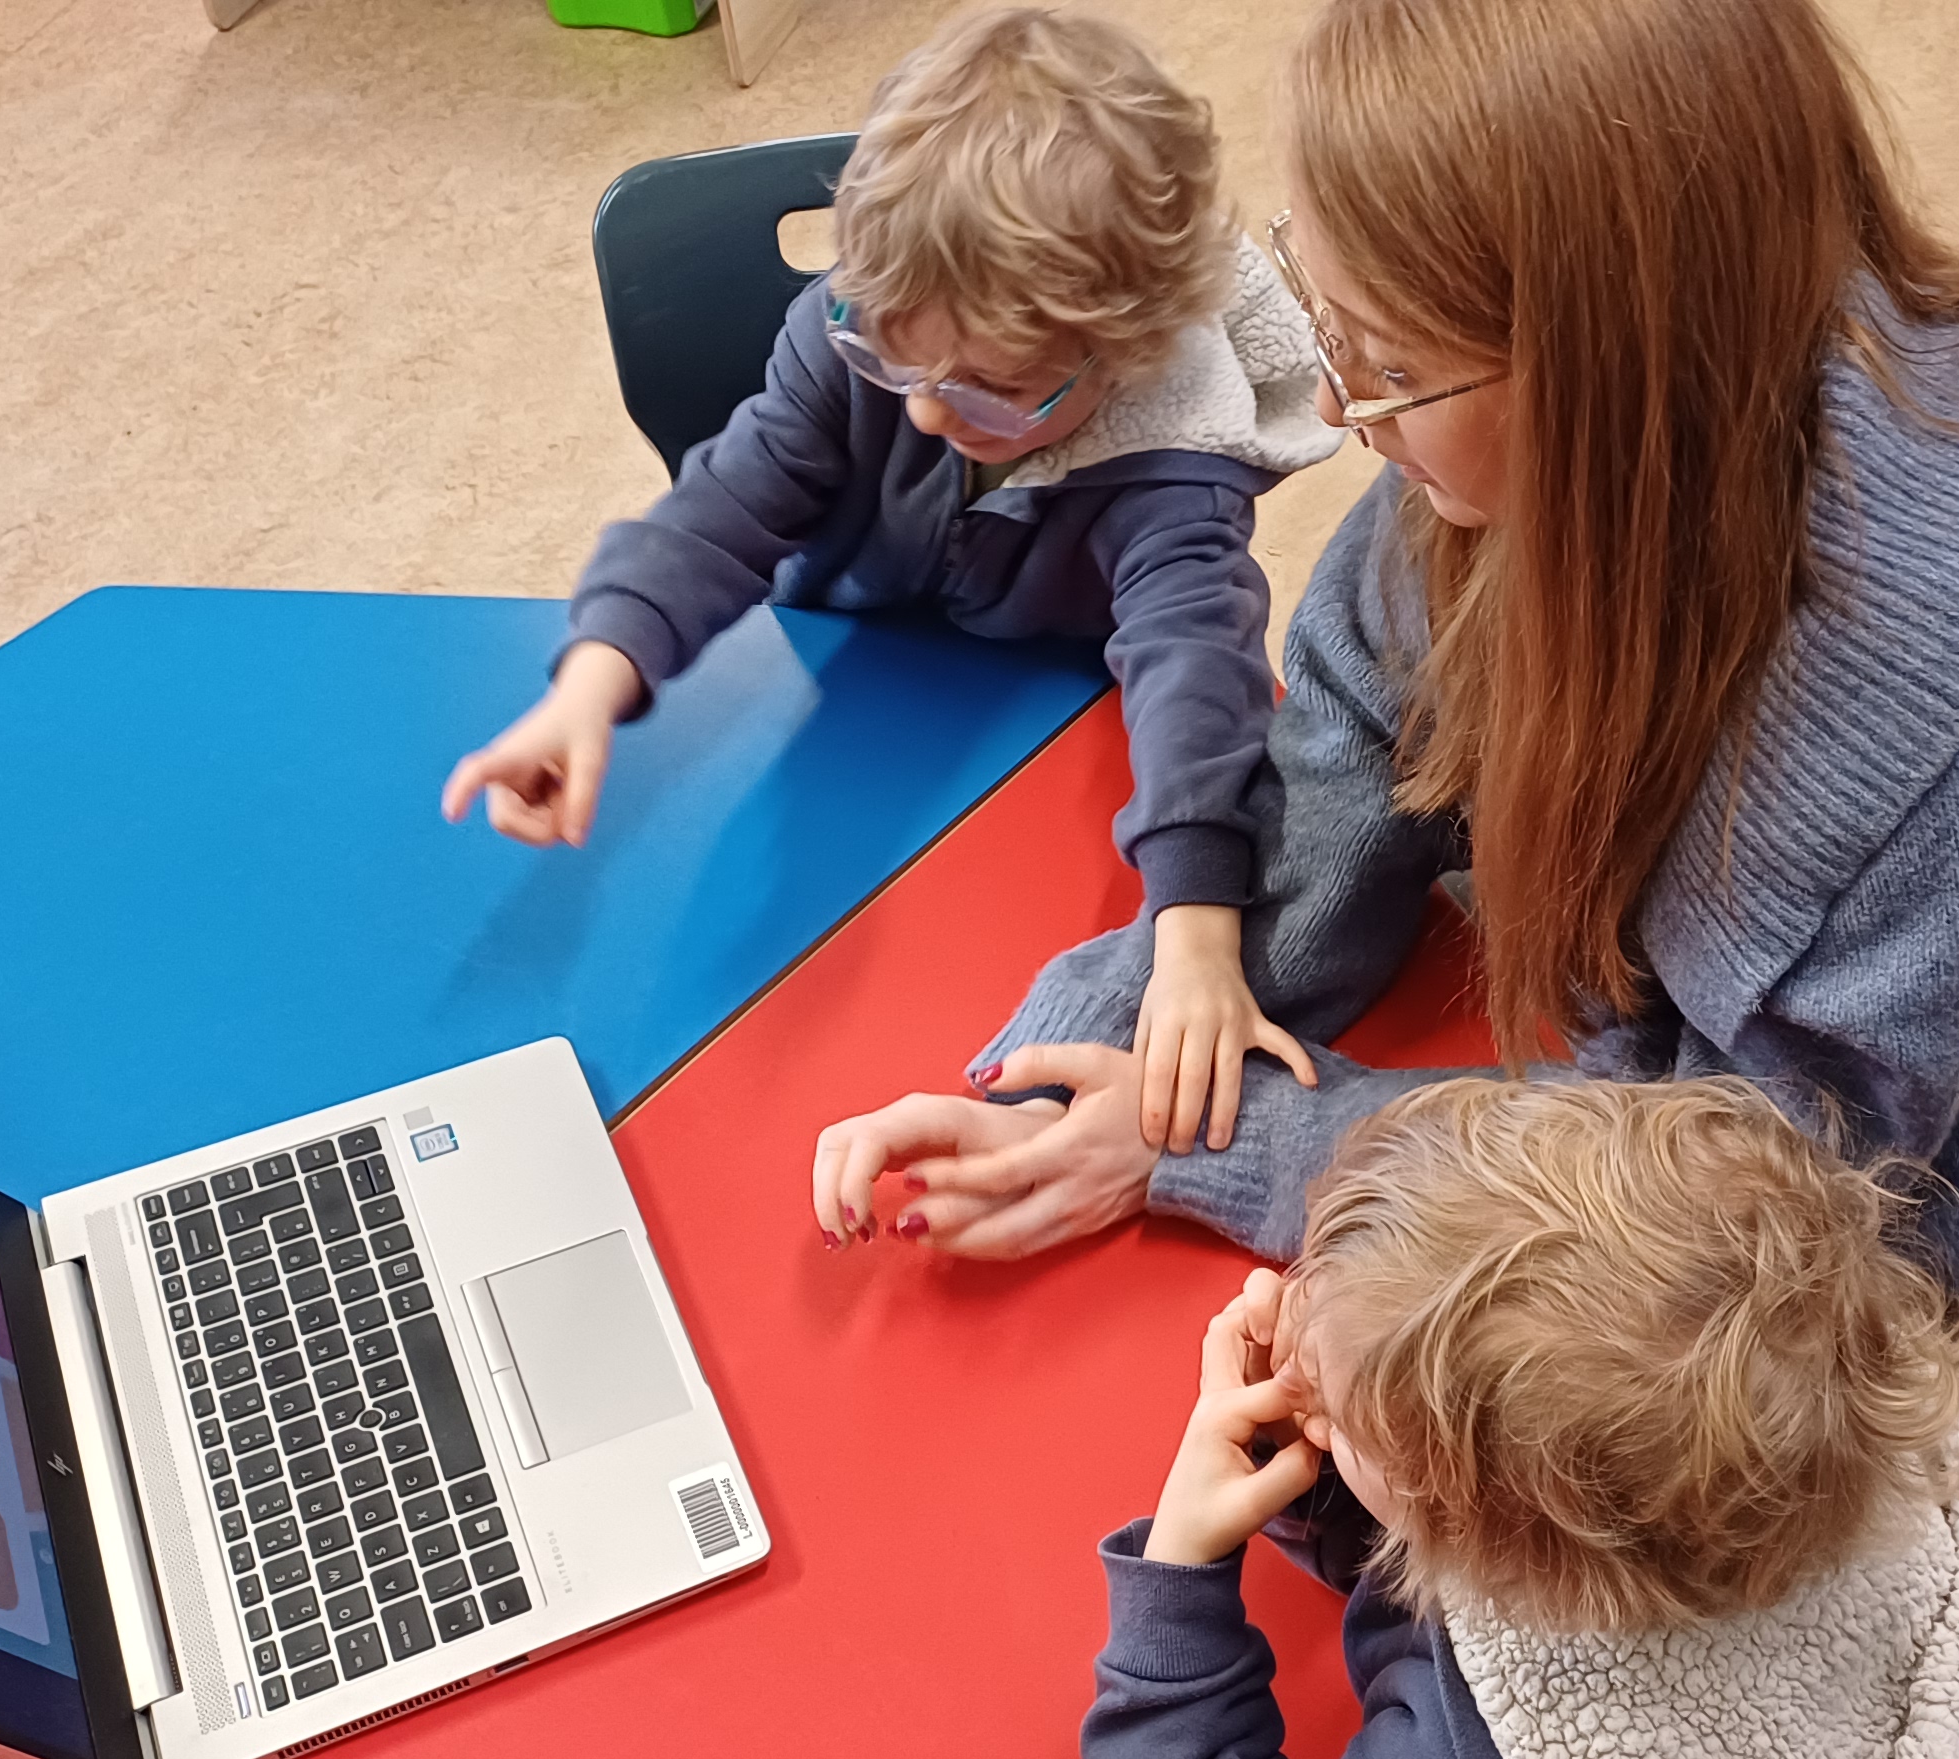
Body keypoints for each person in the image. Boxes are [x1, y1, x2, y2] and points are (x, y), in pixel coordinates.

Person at [812, 0, 1959, 1389]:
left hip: (1888, 1241)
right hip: (1661, 1030)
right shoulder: (1643, 389)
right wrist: (1130, 1035)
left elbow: (1737, 1210)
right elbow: (1362, 717)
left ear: (1610, 371)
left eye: (1391, 365)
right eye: (1328, 317)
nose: (1342, 411)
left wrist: (1219, 1140)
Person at [445, 7, 1343, 1155]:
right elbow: (724, 507)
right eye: (893, 358)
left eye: (987, 388)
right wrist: (588, 685)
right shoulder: (858, 332)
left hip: (1045, 736)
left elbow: (1195, 676)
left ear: (1124, 355)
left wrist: (1198, 937)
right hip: (826, 694)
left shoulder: (1173, 461)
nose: (922, 411)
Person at [1087, 1077, 1959, 1759]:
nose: (1295, 1359)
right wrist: (1339, 1397)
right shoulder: (1856, 1424)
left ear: (1492, 1561)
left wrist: (1181, 1572)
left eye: (1340, 1421)